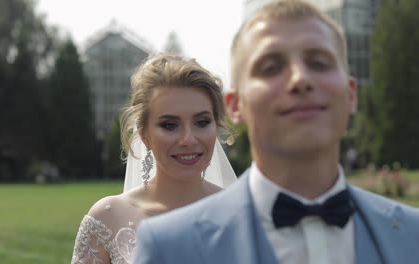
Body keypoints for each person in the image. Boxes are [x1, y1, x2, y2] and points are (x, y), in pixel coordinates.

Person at [133, 1, 419, 263]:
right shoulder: (170, 248)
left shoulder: (412, 234)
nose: (300, 79)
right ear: (235, 106)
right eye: (271, 67)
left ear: (351, 94)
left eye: (319, 62)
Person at [71, 53, 237, 264]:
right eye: (170, 125)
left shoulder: (240, 217)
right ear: (144, 134)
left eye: (202, 122)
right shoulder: (107, 220)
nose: (188, 139)